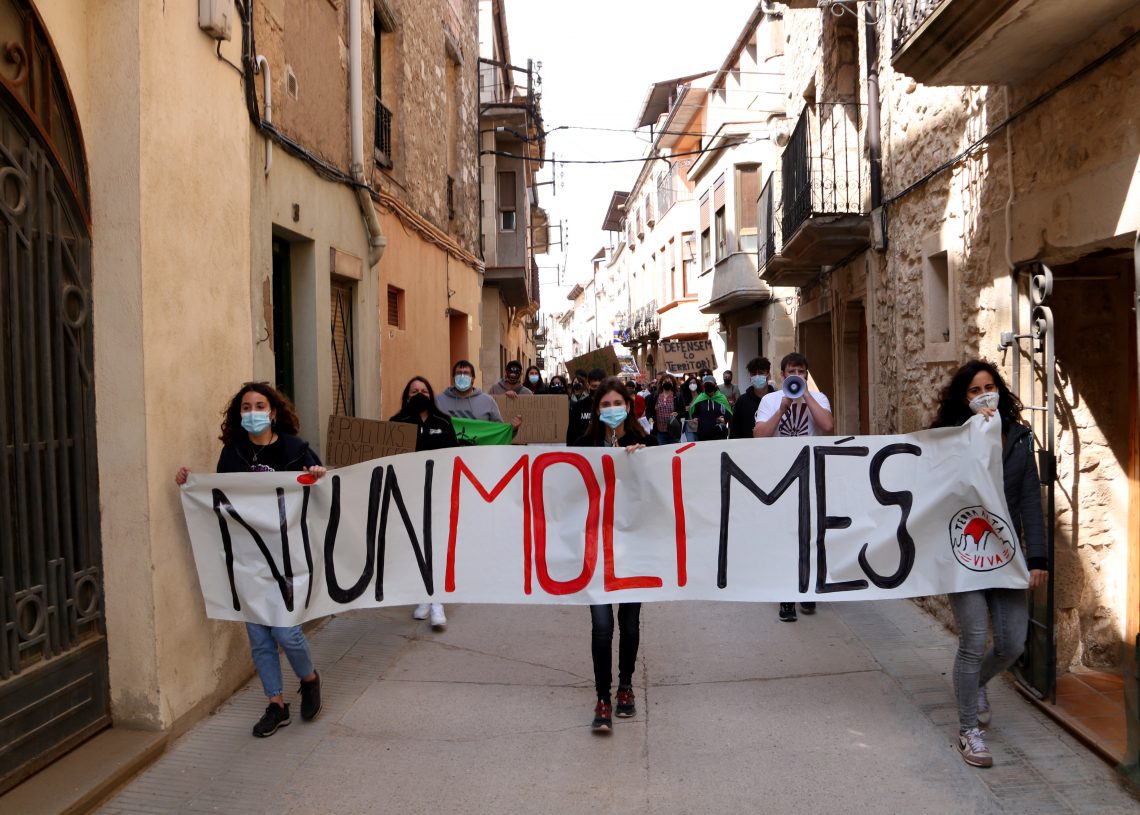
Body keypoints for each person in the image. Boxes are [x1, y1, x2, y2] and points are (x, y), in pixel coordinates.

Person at [174, 382, 325, 738]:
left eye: (259, 406)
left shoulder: (296, 449)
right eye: (245, 407)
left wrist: (319, 475)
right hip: (249, 560)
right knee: (258, 636)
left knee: (287, 632)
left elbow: (323, 493)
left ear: (273, 412)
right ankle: (276, 704)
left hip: (289, 560)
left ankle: (310, 678)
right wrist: (190, 482)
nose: (252, 412)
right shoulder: (233, 454)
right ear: (238, 414)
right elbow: (220, 501)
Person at [931, 359, 1049, 769]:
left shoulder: (1018, 437)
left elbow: (1031, 499)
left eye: (989, 386)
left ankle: (974, 683)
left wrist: (1037, 556)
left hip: (1007, 554)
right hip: (964, 554)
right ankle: (969, 731)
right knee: (973, 637)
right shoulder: (948, 440)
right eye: (974, 390)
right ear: (963, 399)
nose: (984, 394)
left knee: (1013, 642)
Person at [571, 378, 656, 733]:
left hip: (633, 548)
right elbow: (568, 491)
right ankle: (603, 697)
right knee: (602, 626)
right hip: (596, 549)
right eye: (603, 405)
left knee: (630, 624)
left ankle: (626, 687)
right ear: (596, 409)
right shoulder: (583, 445)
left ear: (628, 404)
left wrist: (640, 461)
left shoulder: (646, 444)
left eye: (615, 403)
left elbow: (656, 492)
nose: (610, 410)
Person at [754, 352, 833, 622]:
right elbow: (760, 436)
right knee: (783, 537)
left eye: (801, 371)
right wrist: (783, 408)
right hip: (779, 476)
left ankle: (807, 586)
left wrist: (806, 396)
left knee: (810, 534)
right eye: (791, 372)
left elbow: (827, 426)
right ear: (782, 376)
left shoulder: (818, 398)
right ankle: (786, 596)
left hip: (810, 472)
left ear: (806, 375)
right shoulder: (770, 400)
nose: (796, 376)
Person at [390, 376, 459, 630]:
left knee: (435, 545)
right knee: (415, 546)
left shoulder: (444, 422)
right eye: (414, 391)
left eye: (423, 390)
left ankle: (437, 602)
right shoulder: (397, 423)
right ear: (407, 396)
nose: (419, 394)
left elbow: (454, 457)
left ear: (431, 394)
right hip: (408, 494)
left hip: (438, 492)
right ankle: (423, 596)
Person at [437, 359, 522, 433]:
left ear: (473, 378)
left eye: (466, 373)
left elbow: (498, 430)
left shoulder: (488, 401)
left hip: (479, 451)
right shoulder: (439, 401)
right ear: (453, 377)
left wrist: (512, 429)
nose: (462, 376)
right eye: (459, 373)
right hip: (448, 451)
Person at [729, 357, 775, 439]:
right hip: (748, 449)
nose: (757, 376)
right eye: (753, 374)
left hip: (773, 447)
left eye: (761, 373)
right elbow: (735, 432)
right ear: (750, 376)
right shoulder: (742, 401)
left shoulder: (776, 399)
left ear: (768, 375)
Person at [566, 368, 604, 444]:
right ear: (588, 385)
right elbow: (571, 434)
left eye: (600, 387)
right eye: (594, 386)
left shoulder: (609, 407)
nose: (597, 390)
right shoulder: (578, 407)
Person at [688, 374, 731, 441]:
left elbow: (728, 413)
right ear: (703, 386)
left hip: (720, 434)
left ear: (715, 385)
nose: (708, 386)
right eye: (706, 384)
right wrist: (696, 419)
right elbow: (695, 413)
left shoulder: (722, 398)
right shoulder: (700, 399)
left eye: (710, 384)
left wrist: (724, 419)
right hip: (703, 435)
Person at [645, 374, 681, 445]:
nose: (667, 382)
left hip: (673, 432)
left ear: (673, 383)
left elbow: (683, 411)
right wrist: (649, 418)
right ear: (661, 383)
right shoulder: (654, 396)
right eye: (665, 381)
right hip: (659, 432)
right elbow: (648, 411)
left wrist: (678, 414)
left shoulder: (677, 396)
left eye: (669, 381)